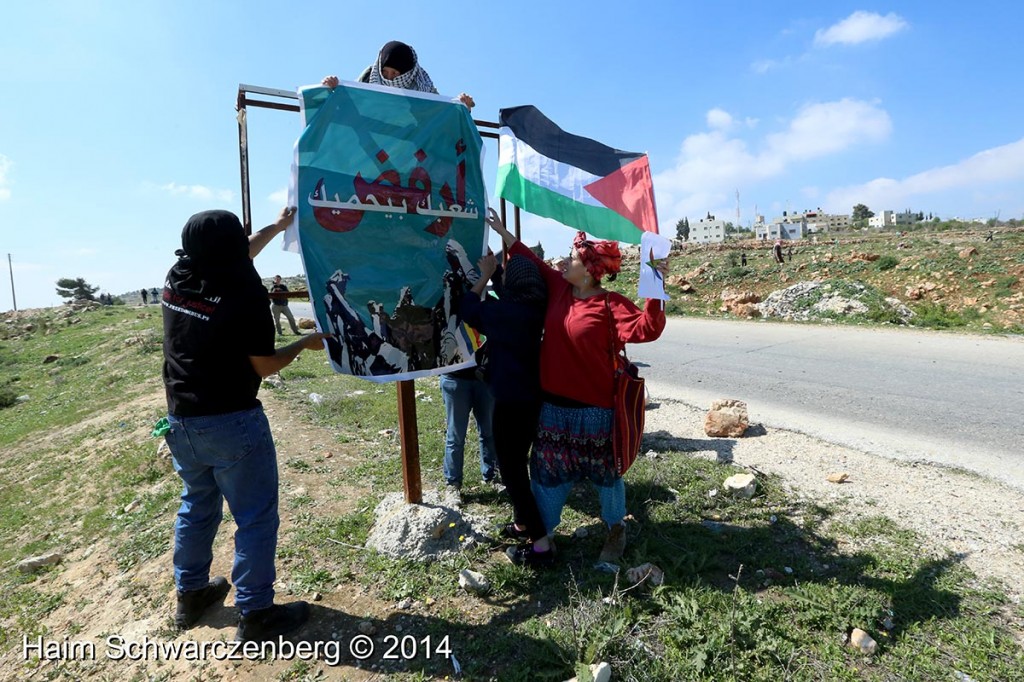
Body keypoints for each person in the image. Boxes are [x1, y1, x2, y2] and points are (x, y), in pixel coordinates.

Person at [161, 206, 328, 643]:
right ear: (233, 247)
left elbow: (236, 255)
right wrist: (305, 342)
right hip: (231, 419)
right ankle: (255, 615)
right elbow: (266, 365)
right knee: (254, 518)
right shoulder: (245, 293)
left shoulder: (178, 275)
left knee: (196, 507)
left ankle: (191, 593)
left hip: (181, 421)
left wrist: (276, 226)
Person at [485, 209, 669, 567]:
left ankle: (616, 529)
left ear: (589, 268)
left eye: (571, 257)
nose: (563, 261)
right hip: (553, 408)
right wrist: (504, 233)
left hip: (595, 412)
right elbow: (534, 263)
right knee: (547, 474)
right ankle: (545, 535)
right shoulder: (559, 289)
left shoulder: (610, 304)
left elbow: (648, 328)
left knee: (605, 476)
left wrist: (655, 283)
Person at [461, 250, 548, 556]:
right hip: (532, 399)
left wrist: (485, 276)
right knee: (518, 463)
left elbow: (468, 309)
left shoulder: (505, 313)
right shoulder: (536, 307)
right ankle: (523, 524)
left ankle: (541, 544)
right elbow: (512, 292)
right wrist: (498, 273)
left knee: (512, 472)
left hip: (510, 401)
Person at [321, 40, 475, 109]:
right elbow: (350, 101)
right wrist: (332, 89)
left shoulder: (423, 88)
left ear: (407, 73)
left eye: (395, 73)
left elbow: (441, 115)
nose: (389, 78)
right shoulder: (368, 77)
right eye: (385, 72)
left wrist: (463, 107)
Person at [439, 354, 498, 494]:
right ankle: (452, 484)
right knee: (455, 436)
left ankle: (492, 476)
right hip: (455, 377)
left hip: (486, 377)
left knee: (489, 431)